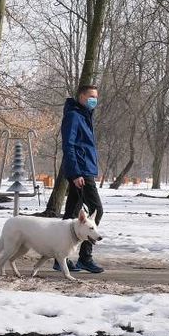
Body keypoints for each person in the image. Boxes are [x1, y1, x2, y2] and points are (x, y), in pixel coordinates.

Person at [58, 84, 105, 274]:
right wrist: (76, 173)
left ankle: (59, 257)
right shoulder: (74, 116)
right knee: (96, 209)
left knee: (70, 214)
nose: (94, 100)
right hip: (80, 172)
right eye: (91, 96)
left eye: (96, 96)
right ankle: (85, 258)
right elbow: (68, 146)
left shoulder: (85, 116)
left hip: (86, 170)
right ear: (81, 96)